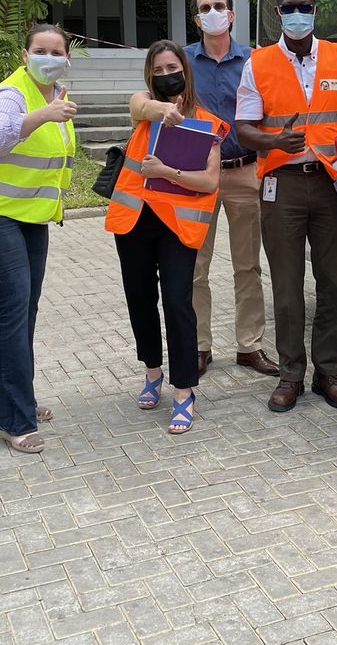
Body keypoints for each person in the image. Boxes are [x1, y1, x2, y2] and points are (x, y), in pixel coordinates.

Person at [235, 0, 337, 413]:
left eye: (304, 6)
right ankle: (292, 374)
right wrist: (274, 143)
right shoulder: (258, 63)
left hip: (330, 184)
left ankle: (328, 372)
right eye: (289, 7)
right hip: (282, 185)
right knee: (287, 287)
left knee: (332, 284)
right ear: (278, 13)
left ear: (315, 10)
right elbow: (244, 129)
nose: (297, 13)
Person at [0, 24, 77, 455]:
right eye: (39, 50)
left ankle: (18, 398)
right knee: (11, 309)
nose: (48, 56)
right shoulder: (13, 94)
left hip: (28, 219)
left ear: (67, 57)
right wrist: (40, 116)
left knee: (24, 309)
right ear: (25, 55)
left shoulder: (54, 94)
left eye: (56, 51)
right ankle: (13, 419)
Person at [110, 40, 224, 434]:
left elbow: (210, 180)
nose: (165, 75)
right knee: (140, 298)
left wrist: (167, 173)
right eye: (157, 70)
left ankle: (183, 391)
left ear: (185, 69)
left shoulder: (206, 122)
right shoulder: (143, 107)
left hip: (178, 226)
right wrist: (164, 110)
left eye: (171, 67)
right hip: (134, 222)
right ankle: (152, 371)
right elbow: (139, 104)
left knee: (178, 303)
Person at [183, 0, 277, 378]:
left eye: (220, 6)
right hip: (196, 174)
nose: (214, 12)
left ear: (233, 15)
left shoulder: (256, 61)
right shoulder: (183, 61)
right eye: (206, 7)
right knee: (194, 266)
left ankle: (249, 346)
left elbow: (269, 112)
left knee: (248, 265)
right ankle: (198, 346)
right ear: (196, 19)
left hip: (244, 171)